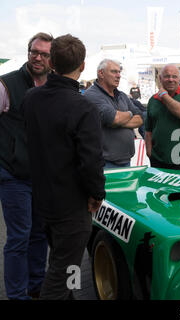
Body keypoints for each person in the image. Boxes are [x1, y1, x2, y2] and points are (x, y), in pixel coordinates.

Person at [22, 34, 105, 300]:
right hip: (70, 204)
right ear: (82, 66)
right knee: (62, 271)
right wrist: (97, 194)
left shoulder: (32, 98)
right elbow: (90, 161)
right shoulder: (82, 107)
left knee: (64, 261)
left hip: (43, 198)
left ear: (52, 63)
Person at [0, 32, 53, 300]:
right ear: (28, 52)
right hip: (14, 176)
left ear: (52, 59)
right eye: (35, 51)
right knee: (19, 238)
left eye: (44, 54)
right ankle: (17, 294)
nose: (38, 57)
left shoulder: (54, 87)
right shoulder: (6, 84)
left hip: (43, 177)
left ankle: (36, 286)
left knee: (39, 234)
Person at [84, 59, 143, 168]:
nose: (119, 75)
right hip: (104, 163)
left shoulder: (122, 95)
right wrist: (130, 114)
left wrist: (118, 120)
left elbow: (140, 118)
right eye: (114, 72)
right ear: (101, 73)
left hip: (126, 161)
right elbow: (114, 118)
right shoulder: (91, 95)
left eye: (119, 72)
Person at [145, 64, 180, 169]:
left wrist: (164, 96)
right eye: (167, 76)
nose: (171, 79)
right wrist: (149, 152)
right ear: (160, 78)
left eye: (174, 76)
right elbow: (148, 130)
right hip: (157, 160)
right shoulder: (153, 100)